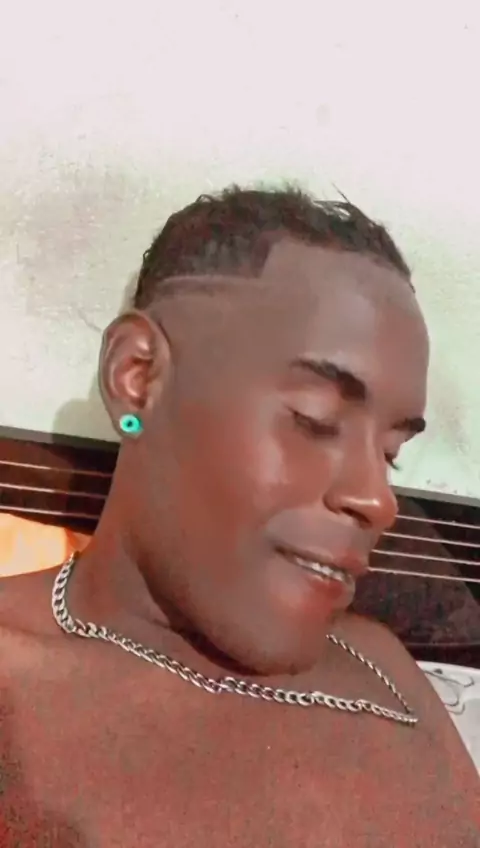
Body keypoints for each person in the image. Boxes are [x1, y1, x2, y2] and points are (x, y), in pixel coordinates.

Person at [0, 186, 478, 847]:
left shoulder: (381, 669)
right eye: (315, 419)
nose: (379, 499)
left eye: (391, 454)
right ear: (138, 377)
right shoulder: (15, 697)